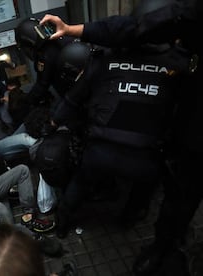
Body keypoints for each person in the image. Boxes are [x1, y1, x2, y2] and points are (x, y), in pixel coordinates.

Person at [42, 0, 202, 275]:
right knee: (146, 187)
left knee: (80, 182)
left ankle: (64, 221)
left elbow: (74, 99)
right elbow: (179, 114)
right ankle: (128, 219)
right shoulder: (178, 66)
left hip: (100, 152)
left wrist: (53, 123)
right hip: (145, 159)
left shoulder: (105, 58)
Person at [15, 17, 75, 110]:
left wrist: (25, 104)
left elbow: (42, 85)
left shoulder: (46, 55)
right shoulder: (59, 38)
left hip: (75, 96)